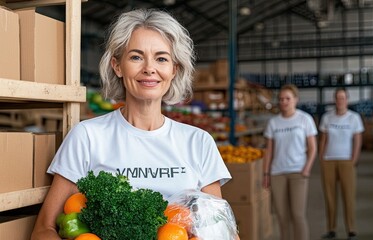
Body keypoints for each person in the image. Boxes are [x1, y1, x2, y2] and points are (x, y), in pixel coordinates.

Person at [31, 9, 232, 239]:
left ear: (174, 70)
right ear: (117, 66)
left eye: (162, 58)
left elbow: (221, 230)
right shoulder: (87, 136)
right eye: (136, 57)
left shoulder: (199, 142)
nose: (149, 68)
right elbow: (43, 229)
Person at [262, 84, 318, 240]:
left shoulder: (304, 119)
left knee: (298, 214)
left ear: (295, 100)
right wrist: (266, 173)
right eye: (281, 99)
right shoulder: (274, 123)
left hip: (298, 172)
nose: (284, 102)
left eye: (288, 98)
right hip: (277, 173)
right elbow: (269, 151)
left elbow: (313, 148)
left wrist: (307, 168)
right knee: (282, 216)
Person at [319, 87, 364, 240]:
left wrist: (354, 158)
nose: (340, 101)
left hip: (346, 160)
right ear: (334, 100)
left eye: (343, 98)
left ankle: (351, 229)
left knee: (348, 196)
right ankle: (331, 229)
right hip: (329, 160)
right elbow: (323, 139)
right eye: (338, 98)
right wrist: (321, 158)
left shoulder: (354, 118)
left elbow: (357, 139)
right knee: (330, 197)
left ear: (347, 100)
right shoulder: (327, 117)